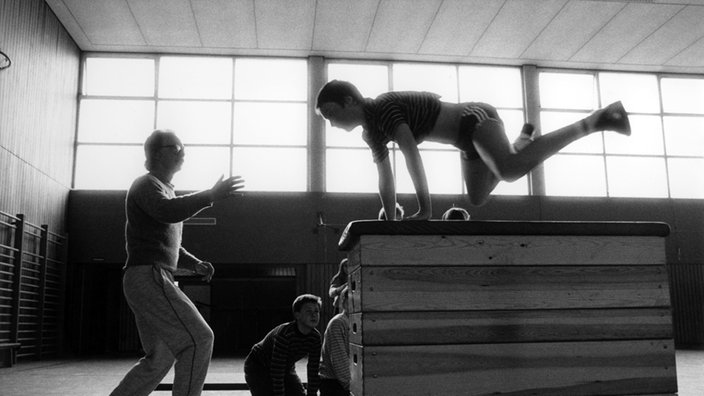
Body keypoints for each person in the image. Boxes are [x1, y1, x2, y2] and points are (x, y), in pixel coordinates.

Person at [315, 80, 631, 220]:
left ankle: (597, 120)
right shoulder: (371, 133)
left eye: (330, 114)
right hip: (464, 142)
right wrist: (389, 226)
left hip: (473, 118)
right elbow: (385, 179)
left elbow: (411, 152)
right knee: (478, 197)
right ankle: (520, 143)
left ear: (349, 102)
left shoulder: (382, 107)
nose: (331, 124)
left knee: (508, 170)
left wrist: (425, 209)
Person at [110, 129, 245, 396]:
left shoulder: (164, 190)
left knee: (160, 356)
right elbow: (167, 212)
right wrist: (209, 196)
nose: (183, 152)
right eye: (176, 147)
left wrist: (194, 264)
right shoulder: (146, 185)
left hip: (148, 277)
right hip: (148, 276)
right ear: (158, 153)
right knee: (200, 339)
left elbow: (167, 243)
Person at [244, 294, 322, 396]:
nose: (314, 315)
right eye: (308, 311)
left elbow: (313, 369)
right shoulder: (285, 335)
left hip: (285, 366)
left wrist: (312, 394)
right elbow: (277, 371)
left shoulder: (315, 337)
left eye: (316, 311)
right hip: (258, 365)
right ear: (297, 315)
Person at [319, 286, 350, 396]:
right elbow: (339, 361)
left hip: (351, 381)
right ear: (344, 301)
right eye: (351, 298)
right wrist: (353, 389)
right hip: (334, 382)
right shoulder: (338, 323)